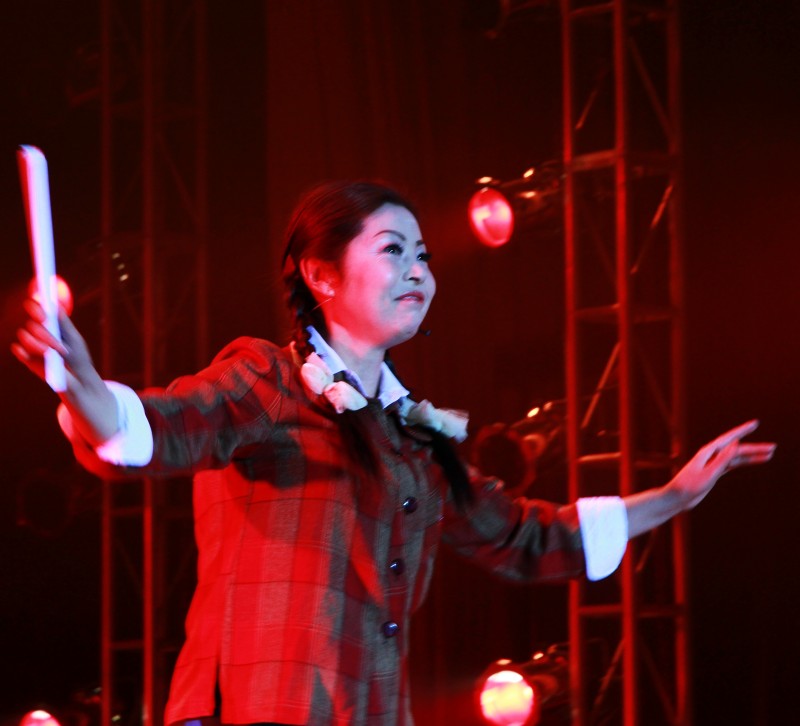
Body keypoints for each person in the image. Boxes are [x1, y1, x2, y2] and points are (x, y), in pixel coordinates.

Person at [12, 180, 775, 726]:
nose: (418, 270)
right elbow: (157, 429)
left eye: (424, 254)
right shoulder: (269, 380)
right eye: (393, 250)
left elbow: (524, 536)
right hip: (258, 705)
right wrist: (82, 383)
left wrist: (675, 496)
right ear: (321, 274)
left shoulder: (416, 438)